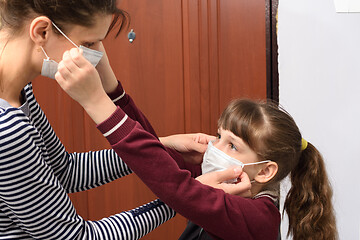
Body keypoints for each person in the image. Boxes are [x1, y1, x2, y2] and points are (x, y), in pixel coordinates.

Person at [50, 34, 337, 239]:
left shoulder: (259, 218)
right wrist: (108, 80)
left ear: (265, 170)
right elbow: (153, 155)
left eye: (232, 145)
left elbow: (177, 188)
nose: (215, 147)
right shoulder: (228, 179)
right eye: (219, 135)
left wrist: (97, 104)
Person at [0, 0, 245, 239]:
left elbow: (65, 170)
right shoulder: (8, 130)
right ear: (42, 31)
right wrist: (191, 196)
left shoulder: (21, 93)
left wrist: (163, 145)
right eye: (89, 43)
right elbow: (77, 236)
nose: (96, 56)